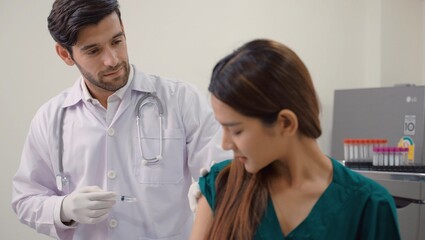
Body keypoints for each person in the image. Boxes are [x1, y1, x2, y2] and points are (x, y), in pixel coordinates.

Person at [11, 0, 231, 239]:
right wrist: (63, 209)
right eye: (93, 51)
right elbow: (25, 199)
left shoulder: (181, 100)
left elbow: (225, 174)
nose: (112, 60)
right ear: (65, 54)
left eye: (117, 41)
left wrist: (209, 190)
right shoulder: (50, 119)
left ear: (123, 29)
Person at [190, 39, 401, 239]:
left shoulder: (369, 206)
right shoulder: (222, 185)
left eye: (235, 131)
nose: (224, 144)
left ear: (286, 123)